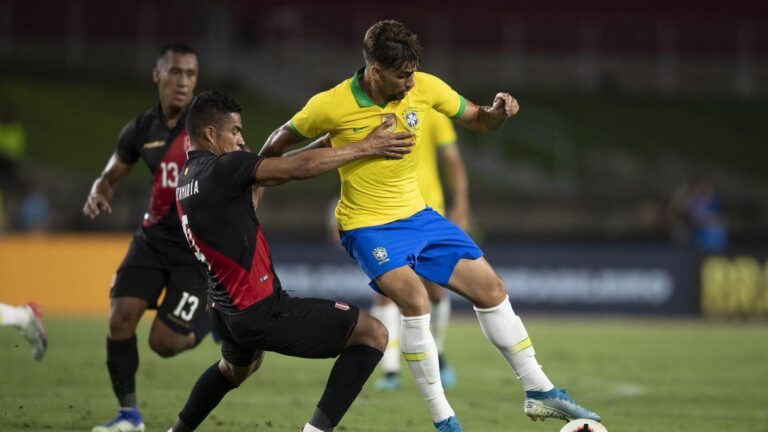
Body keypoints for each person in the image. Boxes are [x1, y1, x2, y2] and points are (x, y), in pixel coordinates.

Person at [261, 20, 600, 431]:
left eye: (412, 73)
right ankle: (445, 421)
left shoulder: (425, 86)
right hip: (367, 225)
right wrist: (254, 184)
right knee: (415, 299)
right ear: (375, 70)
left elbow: (477, 118)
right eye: (401, 76)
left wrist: (497, 114)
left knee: (491, 289)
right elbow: (278, 143)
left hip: (420, 217)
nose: (409, 83)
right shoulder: (331, 105)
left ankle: (539, 391)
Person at [168, 90, 414, 432]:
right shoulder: (225, 168)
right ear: (211, 134)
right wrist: (366, 147)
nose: (242, 139)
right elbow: (294, 169)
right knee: (373, 334)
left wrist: (329, 142)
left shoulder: (188, 180)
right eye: (235, 131)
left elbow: (265, 179)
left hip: (225, 311)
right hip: (259, 310)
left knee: (234, 370)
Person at [83, 43, 211, 432]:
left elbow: (246, 161)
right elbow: (111, 173)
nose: (183, 82)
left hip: (194, 248)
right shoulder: (141, 129)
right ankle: (129, 416)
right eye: (175, 73)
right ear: (158, 75)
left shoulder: (206, 125)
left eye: (190, 74)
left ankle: (212, 320)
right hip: (153, 238)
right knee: (120, 318)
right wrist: (100, 189)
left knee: (164, 343)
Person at [329, 109, 470, 391]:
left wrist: (461, 205)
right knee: (386, 293)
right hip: (384, 213)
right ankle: (390, 369)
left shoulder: (430, 107)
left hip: (427, 211)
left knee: (435, 290)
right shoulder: (371, 110)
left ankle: (437, 354)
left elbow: (452, 160)